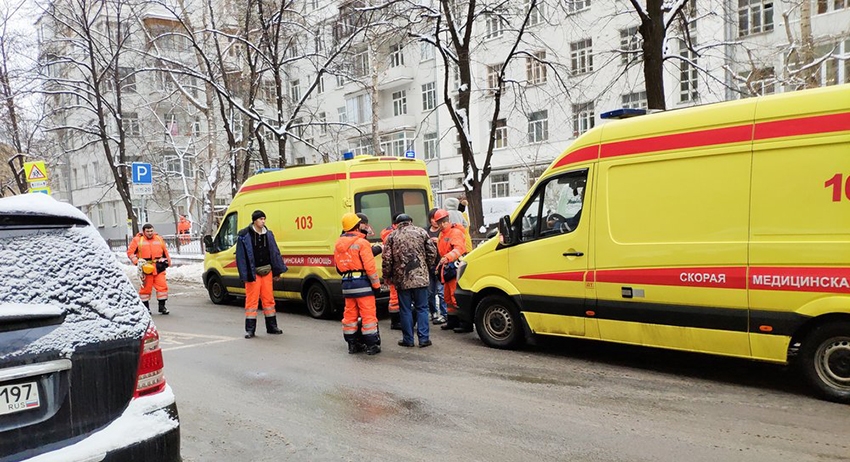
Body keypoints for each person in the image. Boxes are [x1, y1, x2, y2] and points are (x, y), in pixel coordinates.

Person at [382, 213, 437, 348]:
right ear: (411, 221)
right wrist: (427, 266)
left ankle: (408, 339)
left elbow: (387, 259)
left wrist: (387, 276)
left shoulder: (392, 236)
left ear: (397, 223)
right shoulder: (421, 232)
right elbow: (432, 252)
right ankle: (424, 339)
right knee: (422, 308)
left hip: (402, 279)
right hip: (420, 277)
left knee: (405, 309)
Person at [334, 212, 382, 355]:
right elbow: (370, 268)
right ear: (357, 226)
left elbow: (338, 268)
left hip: (346, 284)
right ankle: (372, 345)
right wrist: (376, 286)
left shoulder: (338, 243)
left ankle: (352, 344)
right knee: (368, 315)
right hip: (362, 283)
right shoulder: (362, 243)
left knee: (350, 315)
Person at [235, 210, 287, 339]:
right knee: (252, 302)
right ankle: (250, 330)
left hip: (267, 271)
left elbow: (275, 252)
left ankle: (272, 327)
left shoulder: (268, 234)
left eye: (264, 219)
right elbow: (241, 258)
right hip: (253, 273)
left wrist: (277, 270)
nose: (263, 221)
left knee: (269, 300)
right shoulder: (244, 235)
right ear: (254, 220)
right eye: (260, 219)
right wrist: (244, 274)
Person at [434, 209, 471, 333]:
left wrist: (447, 257)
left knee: (456, 297)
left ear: (445, 222)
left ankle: (465, 323)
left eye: (440, 223)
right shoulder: (443, 234)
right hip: (448, 268)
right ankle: (452, 321)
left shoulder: (455, 232)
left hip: (454, 268)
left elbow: (459, 249)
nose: (439, 225)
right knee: (448, 297)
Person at [128, 223, 172, 315]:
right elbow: (130, 253)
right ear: (144, 231)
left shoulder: (159, 239)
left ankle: (162, 307)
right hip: (146, 268)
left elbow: (165, 251)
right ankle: (146, 308)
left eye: (151, 231)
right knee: (145, 289)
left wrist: (168, 262)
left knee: (162, 287)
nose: (150, 233)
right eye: (148, 231)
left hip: (159, 267)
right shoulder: (137, 240)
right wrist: (137, 262)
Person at [426, 208, 447, 325]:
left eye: (437, 219)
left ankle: (444, 313)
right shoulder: (425, 231)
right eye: (433, 218)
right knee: (430, 292)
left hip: (441, 264)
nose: (435, 221)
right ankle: (433, 311)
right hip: (429, 265)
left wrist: (438, 241)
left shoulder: (443, 232)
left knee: (441, 292)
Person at [380, 218, 401, 330]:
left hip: (393, 271)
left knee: (394, 298)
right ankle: (396, 321)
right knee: (395, 298)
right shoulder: (392, 236)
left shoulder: (387, 235)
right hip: (396, 271)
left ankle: (396, 321)